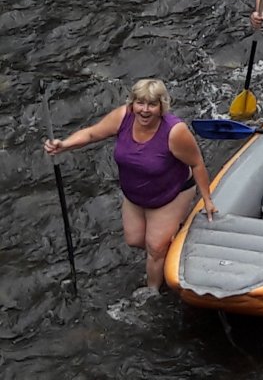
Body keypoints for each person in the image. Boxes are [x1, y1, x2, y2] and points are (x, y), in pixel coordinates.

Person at [43, 79, 217, 292]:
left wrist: (207, 200)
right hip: (135, 195)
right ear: (132, 103)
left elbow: (197, 163)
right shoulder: (123, 117)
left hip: (170, 194)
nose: (144, 110)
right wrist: (64, 145)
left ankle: (153, 291)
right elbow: (91, 133)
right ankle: (169, 250)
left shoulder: (175, 132)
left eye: (152, 104)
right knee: (134, 239)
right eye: (140, 103)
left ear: (162, 107)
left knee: (154, 247)